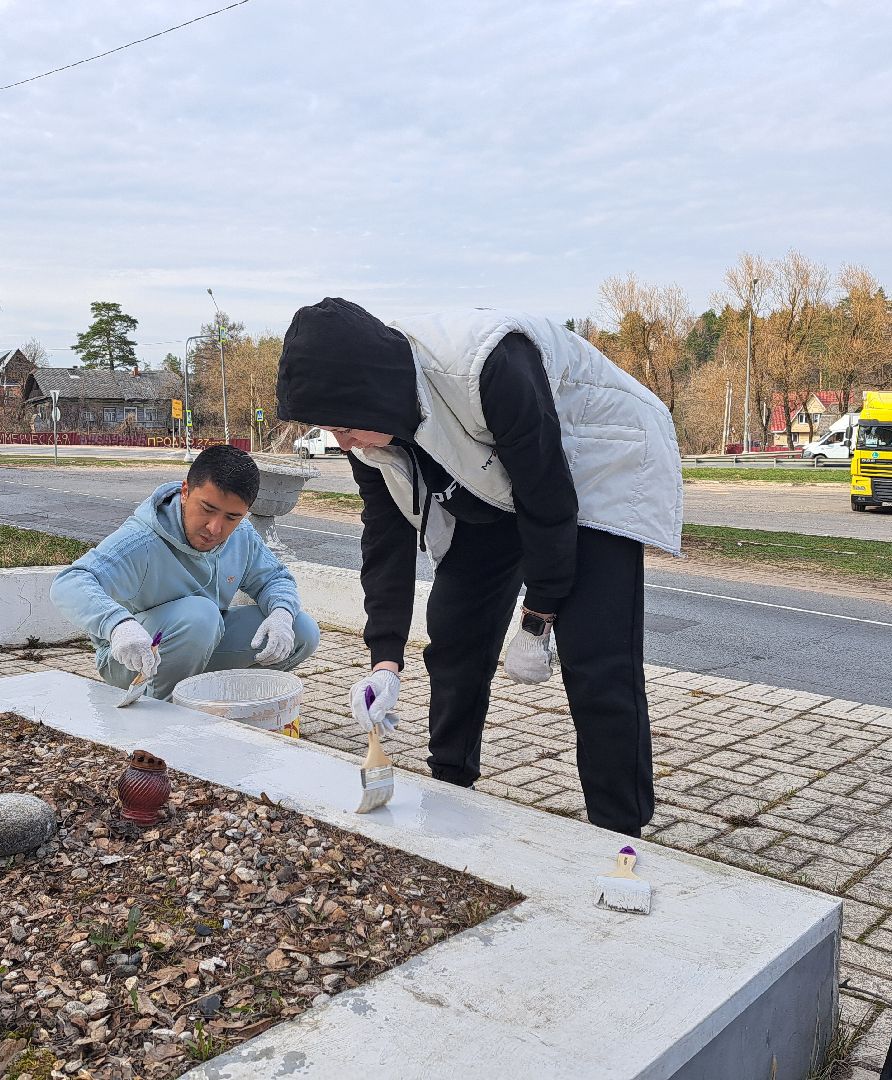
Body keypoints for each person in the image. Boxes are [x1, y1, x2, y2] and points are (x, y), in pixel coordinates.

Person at [276, 299, 682, 836]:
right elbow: (385, 540)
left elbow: (548, 496)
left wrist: (538, 617)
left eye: (346, 427)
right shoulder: (366, 427)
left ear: (374, 393)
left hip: (595, 457)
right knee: (455, 631)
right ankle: (449, 787)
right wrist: (384, 662)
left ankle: (619, 835)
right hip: (497, 482)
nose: (342, 443)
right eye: (331, 430)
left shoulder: (489, 363)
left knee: (596, 659)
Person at [50, 444, 320, 699]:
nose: (215, 528)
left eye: (232, 517)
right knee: (201, 615)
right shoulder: (142, 540)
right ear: (185, 491)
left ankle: (225, 702)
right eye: (207, 509)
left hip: (204, 641)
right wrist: (118, 626)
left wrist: (282, 614)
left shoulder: (242, 536)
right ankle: (161, 711)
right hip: (134, 656)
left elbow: (275, 578)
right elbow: (70, 582)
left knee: (302, 630)